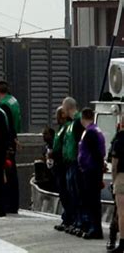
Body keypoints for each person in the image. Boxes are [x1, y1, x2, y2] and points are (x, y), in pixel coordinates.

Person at [0, 80, 22, 213]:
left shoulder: (4, 105)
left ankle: (10, 204)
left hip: (7, 142)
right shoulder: (13, 101)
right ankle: (13, 203)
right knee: (12, 173)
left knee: (7, 174)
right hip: (13, 138)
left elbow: (7, 124)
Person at [78, 107, 106, 239]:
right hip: (94, 170)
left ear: (83, 118)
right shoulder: (96, 130)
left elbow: (94, 153)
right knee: (94, 201)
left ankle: (95, 228)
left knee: (92, 201)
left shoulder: (90, 133)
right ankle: (94, 227)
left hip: (91, 171)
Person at [61, 96, 85, 236]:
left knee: (77, 193)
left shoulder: (77, 122)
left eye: (63, 107)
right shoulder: (71, 123)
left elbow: (79, 143)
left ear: (67, 107)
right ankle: (76, 221)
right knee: (72, 193)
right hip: (70, 161)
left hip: (76, 163)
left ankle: (80, 221)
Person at [51, 106, 73, 232]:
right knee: (63, 193)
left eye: (58, 115)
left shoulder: (67, 127)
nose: (56, 118)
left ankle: (70, 218)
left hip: (63, 163)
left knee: (67, 192)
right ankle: (66, 218)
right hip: (58, 163)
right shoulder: (61, 128)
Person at [111, 119, 124, 252]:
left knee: (122, 213)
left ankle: (122, 242)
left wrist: (114, 181)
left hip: (122, 177)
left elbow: (114, 166)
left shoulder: (119, 141)